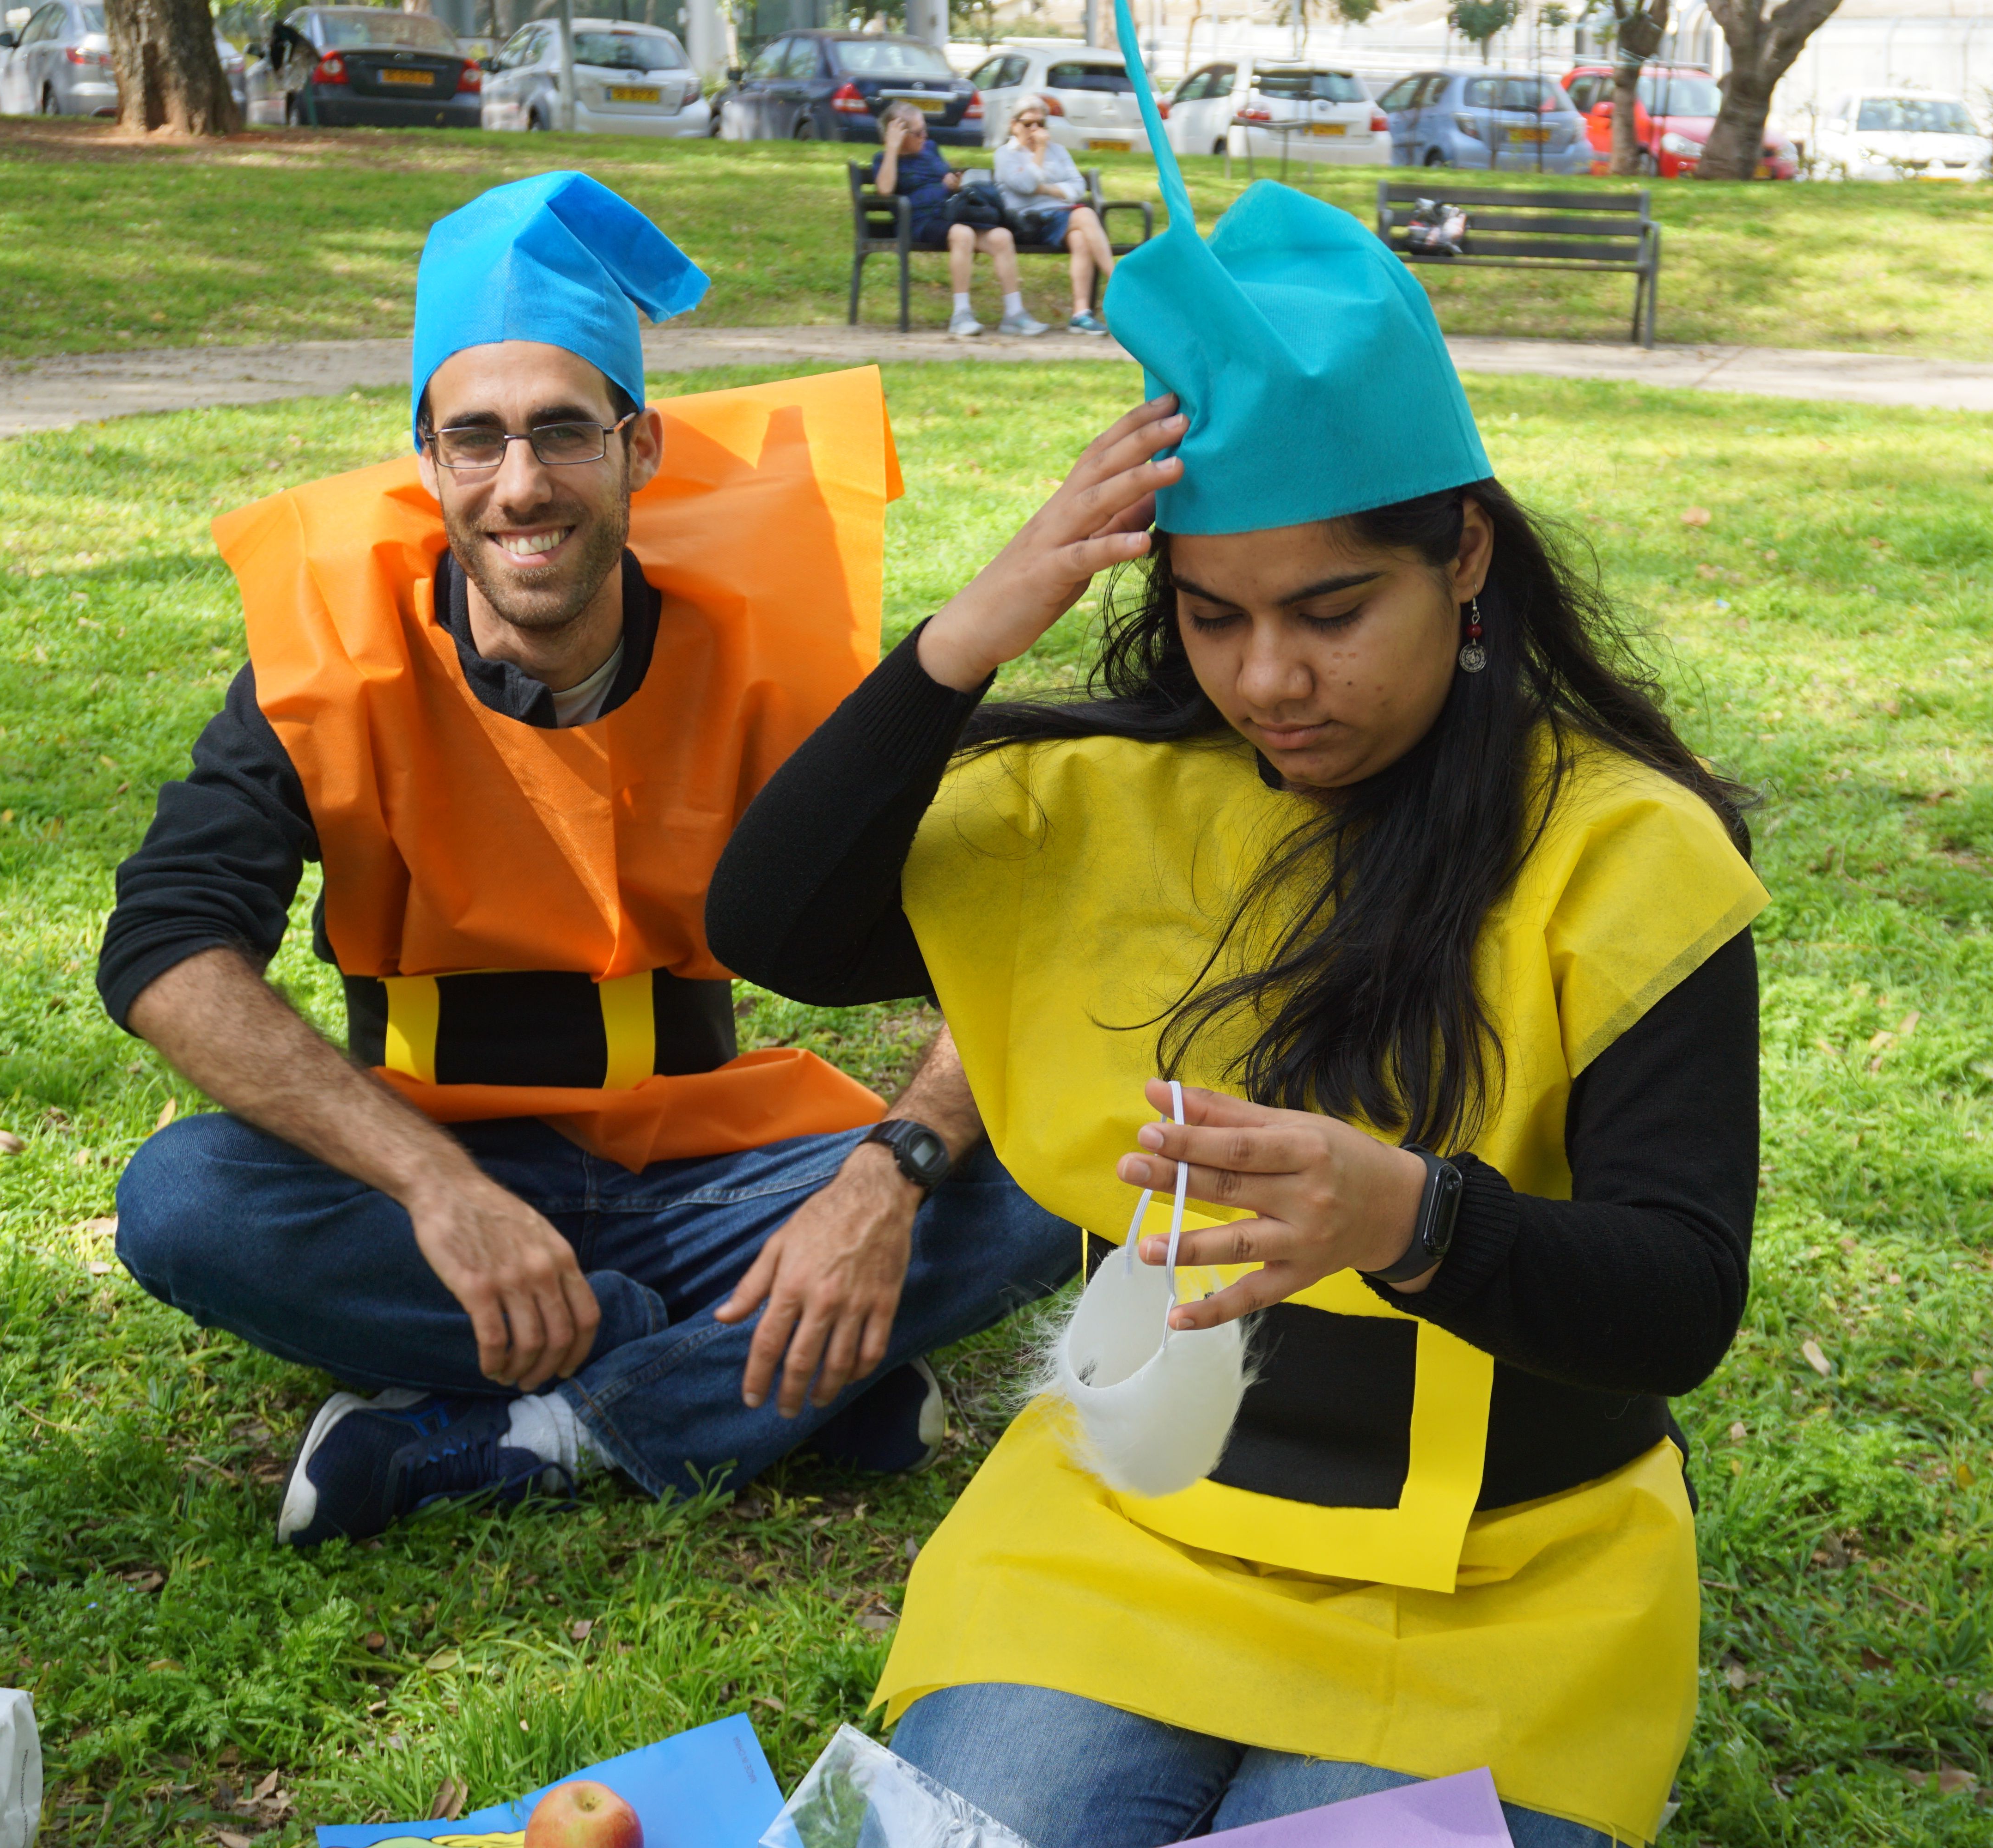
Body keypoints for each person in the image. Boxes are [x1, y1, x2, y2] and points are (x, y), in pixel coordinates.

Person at [708, 9, 1765, 1838]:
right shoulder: (1105, 803)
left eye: (1332, 611)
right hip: (1121, 1536)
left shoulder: (1624, 851)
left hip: (1508, 1583)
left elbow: (1677, 1299)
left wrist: (1412, 1216)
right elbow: (775, 921)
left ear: (1464, 557)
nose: (1271, 678)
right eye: (1215, 617)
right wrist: (969, 633)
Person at [99, 172, 1072, 1549]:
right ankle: (777, 1369)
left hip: (718, 1175)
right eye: (475, 439)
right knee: (184, 1199)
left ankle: (560, 1418)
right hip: (429, 1177)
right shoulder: (325, 660)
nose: (520, 485)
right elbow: (165, 947)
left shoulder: (769, 654)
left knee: (1077, 1154)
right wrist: (438, 1188)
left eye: (563, 431)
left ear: (639, 447)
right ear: (426, 461)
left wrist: (880, 1182)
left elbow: (1010, 925)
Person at [869, 99, 1044, 340]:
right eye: (918, 133)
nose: (924, 136)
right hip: (920, 221)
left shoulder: (930, 149)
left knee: (1002, 237)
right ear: (899, 134)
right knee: (963, 234)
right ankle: (961, 315)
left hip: (951, 214)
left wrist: (953, 183)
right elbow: (885, 190)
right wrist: (892, 148)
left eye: (925, 130)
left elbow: (943, 179)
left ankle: (1014, 314)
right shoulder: (884, 159)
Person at [992, 97, 1118, 335]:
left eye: (1040, 124)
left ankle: (1081, 314)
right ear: (1014, 125)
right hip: (1025, 222)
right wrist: (1040, 151)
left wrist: (1048, 190)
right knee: (1085, 214)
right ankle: (1117, 281)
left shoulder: (1058, 151)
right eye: (1028, 124)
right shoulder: (1005, 155)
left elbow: (1078, 187)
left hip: (1059, 218)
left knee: (1080, 238)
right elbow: (1027, 185)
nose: (1035, 130)